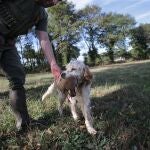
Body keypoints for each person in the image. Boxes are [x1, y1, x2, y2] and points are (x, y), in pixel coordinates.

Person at [0, 0, 61, 130]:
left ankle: (24, 123)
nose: (55, 2)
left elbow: (44, 38)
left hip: (8, 44)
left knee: (17, 77)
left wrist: (53, 64)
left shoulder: (41, 15)